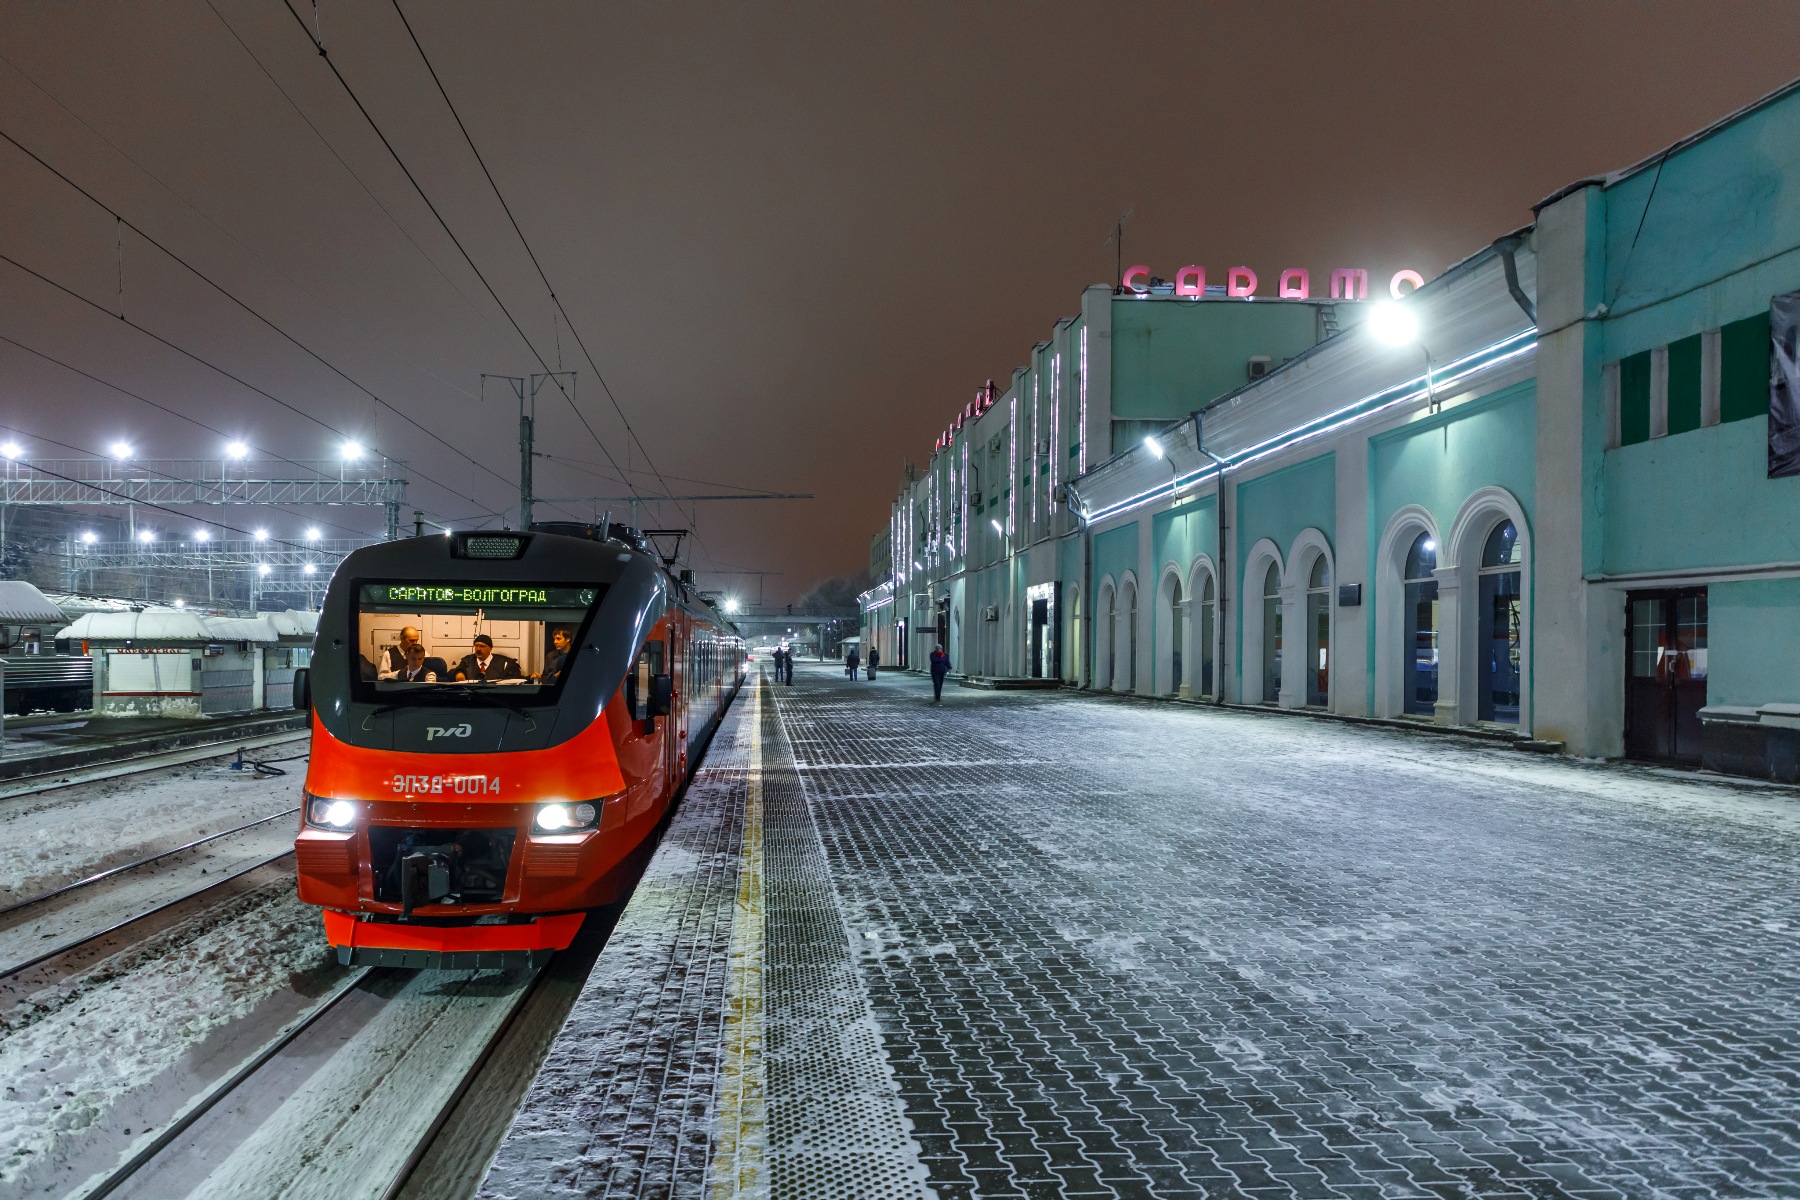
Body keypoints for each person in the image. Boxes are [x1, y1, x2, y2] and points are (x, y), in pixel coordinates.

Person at [455, 634, 523, 682]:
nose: (478, 649)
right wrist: (457, 673)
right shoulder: (467, 661)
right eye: (476, 646)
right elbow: (454, 672)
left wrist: (530, 678)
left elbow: (516, 679)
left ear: (490, 648)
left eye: (482, 646)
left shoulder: (505, 663)